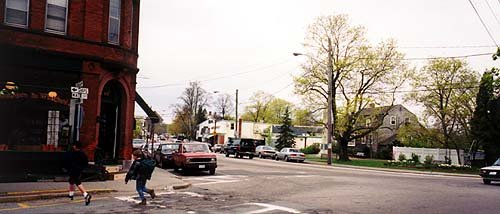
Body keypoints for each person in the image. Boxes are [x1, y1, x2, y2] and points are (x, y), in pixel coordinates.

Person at [65, 141, 92, 205]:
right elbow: (86, 162)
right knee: (71, 181)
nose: (73, 146)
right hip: (77, 169)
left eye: (74, 145)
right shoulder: (82, 153)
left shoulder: (76, 153)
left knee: (77, 182)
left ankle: (86, 195)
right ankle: (71, 194)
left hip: (75, 170)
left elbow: (70, 161)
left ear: (75, 146)